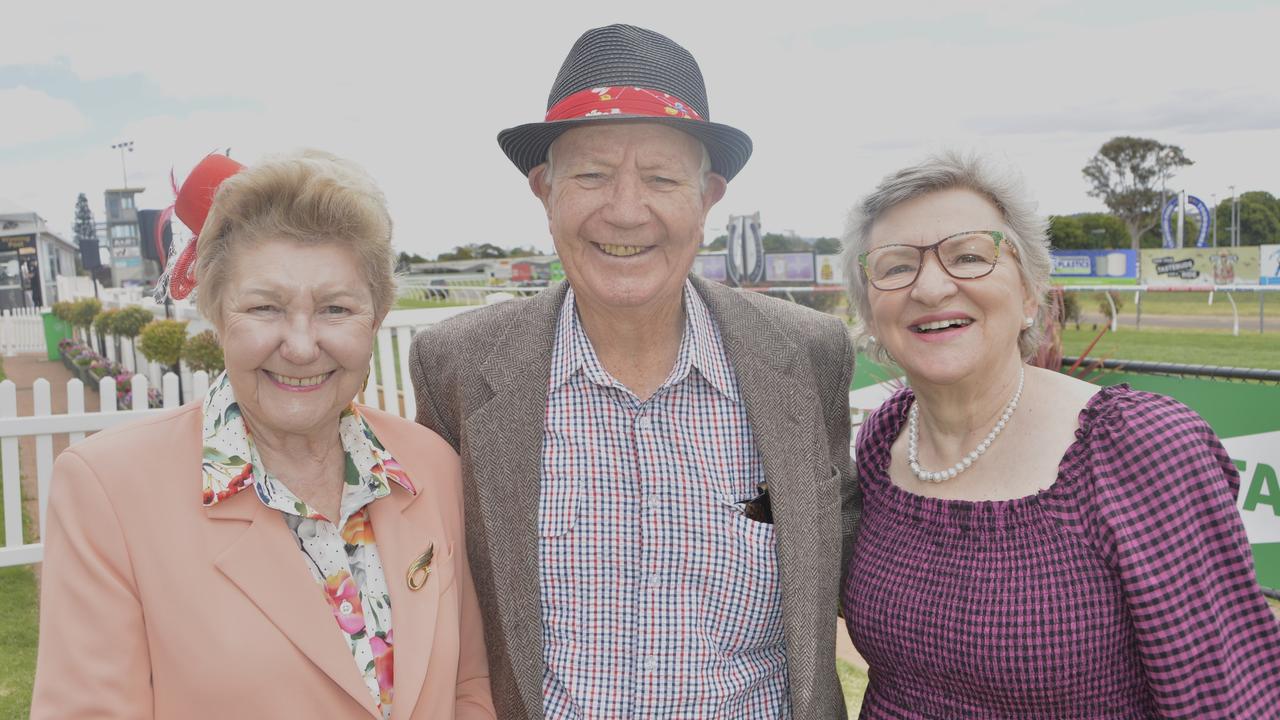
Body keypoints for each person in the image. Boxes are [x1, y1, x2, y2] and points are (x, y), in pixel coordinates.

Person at [410, 24, 856, 719]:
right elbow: (430, 599)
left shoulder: (808, 355)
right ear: (543, 189)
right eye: (590, 173)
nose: (624, 210)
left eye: (660, 177)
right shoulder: (456, 367)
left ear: (706, 198)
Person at [32, 151, 495, 719]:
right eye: (265, 307)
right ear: (218, 314)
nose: (301, 345)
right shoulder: (109, 489)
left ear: (374, 319)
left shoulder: (429, 464)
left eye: (336, 308)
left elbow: (468, 687)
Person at [840, 151, 1280, 718]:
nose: (930, 287)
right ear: (871, 312)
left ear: (1029, 294)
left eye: (969, 255)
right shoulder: (883, 440)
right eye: (896, 266)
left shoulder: (1139, 448)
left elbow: (1227, 700)